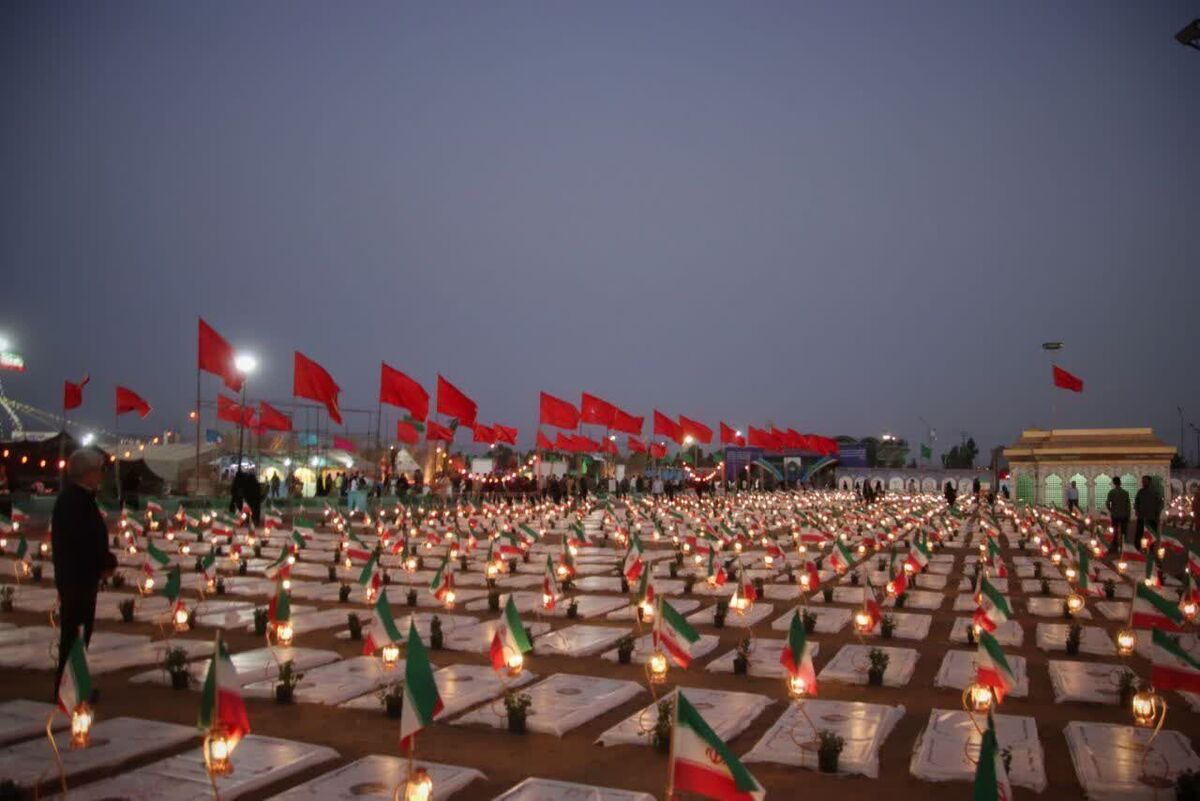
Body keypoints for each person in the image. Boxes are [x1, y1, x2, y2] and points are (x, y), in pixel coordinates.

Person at [51, 448, 117, 697]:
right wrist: (103, 562)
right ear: (87, 473)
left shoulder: (80, 498)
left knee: (79, 632)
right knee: (74, 633)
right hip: (76, 576)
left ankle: (73, 685)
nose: (100, 475)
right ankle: (68, 689)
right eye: (98, 470)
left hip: (81, 575)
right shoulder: (74, 501)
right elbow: (83, 540)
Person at [1134, 476, 1162, 550]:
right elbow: (1136, 502)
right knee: (1139, 532)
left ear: (1149, 482)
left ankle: (1151, 547)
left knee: (1152, 533)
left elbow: (1160, 503)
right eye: (1143, 481)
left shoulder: (1155, 492)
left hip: (1152, 516)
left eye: (1145, 481)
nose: (1143, 483)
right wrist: (1137, 510)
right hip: (1141, 516)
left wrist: (1158, 514)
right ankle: (1137, 547)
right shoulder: (1140, 492)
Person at [1105, 476, 1131, 557]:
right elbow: (1128, 505)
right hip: (1124, 515)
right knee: (1124, 531)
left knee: (1115, 531)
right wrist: (1128, 514)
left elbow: (1107, 503)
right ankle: (1124, 547)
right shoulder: (1125, 492)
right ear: (1120, 483)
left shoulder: (1112, 492)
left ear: (1114, 483)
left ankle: (1115, 546)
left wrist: (1111, 510)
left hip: (1115, 515)